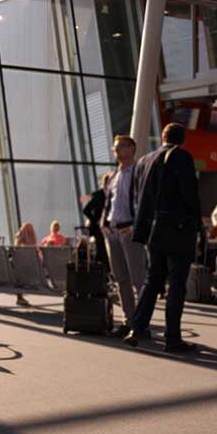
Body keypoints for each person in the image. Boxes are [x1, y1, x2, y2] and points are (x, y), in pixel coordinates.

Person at [124, 123, 201, 353]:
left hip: (152, 231)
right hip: (177, 230)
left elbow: (134, 196)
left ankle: (136, 328)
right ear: (183, 139)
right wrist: (196, 223)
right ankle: (173, 339)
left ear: (163, 137)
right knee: (176, 284)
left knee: (152, 281)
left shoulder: (144, 160)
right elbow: (190, 194)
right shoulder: (181, 157)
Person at [102, 135, 148, 338]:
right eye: (115, 148)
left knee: (138, 279)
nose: (116, 151)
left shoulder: (138, 173)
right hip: (112, 232)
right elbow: (109, 202)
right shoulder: (114, 175)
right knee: (121, 279)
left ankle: (142, 324)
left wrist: (136, 226)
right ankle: (128, 321)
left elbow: (146, 202)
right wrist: (103, 223)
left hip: (129, 231)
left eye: (121, 147)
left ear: (132, 149)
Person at [81, 171, 113, 272]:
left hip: (108, 226)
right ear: (106, 183)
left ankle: (105, 273)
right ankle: (102, 274)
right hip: (98, 228)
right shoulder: (98, 195)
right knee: (101, 249)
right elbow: (86, 210)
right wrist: (96, 220)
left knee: (106, 250)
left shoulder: (112, 195)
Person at [13, 222, 38, 306]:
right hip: (35, 281)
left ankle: (20, 297)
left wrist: (18, 240)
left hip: (21, 282)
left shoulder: (17, 253)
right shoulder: (34, 252)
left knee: (17, 275)